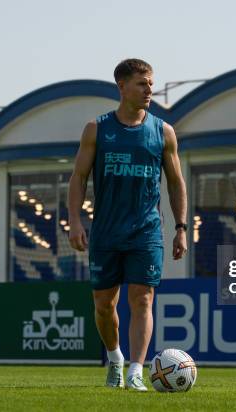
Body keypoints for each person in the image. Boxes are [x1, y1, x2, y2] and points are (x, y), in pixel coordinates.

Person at [68, 58, 187, 391]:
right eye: (142, 83)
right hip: (106, 232)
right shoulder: (97, 129)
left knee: (143, 299)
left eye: (151, 83)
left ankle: (137, 369)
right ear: (122, 87)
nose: (150, 89)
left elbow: (176, 182)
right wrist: (74, 220)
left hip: (146, 231)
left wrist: (181, 227)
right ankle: (115, 358)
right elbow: (78, 176)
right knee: (104, 306)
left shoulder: (163, 132)